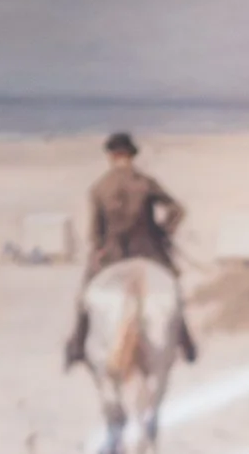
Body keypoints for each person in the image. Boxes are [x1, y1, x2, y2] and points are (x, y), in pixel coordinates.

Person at [64, 132, 196, 369]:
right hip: (148, 250)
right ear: (132, 156)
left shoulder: (99, 187)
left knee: (85, 296)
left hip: (113, 253)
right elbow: (177, 209)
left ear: (110, 157)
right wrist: (164, 232)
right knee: (174, 292)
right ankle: (186, 343)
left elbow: (95, 232)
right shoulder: (146, 183)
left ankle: (77, 344)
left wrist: (99, 248)